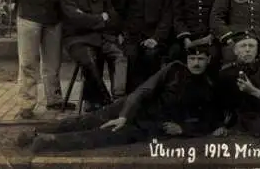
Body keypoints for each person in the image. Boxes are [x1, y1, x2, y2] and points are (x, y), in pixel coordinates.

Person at [17, 46, 227, 153]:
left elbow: (211, 121)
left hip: (152, 125)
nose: (196, 63)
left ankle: (50, 141)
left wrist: (183, 130)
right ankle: (36, 132)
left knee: (105, 136)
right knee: (88, 120)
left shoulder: (209, 86)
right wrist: (125, 115)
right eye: (192, 58)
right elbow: (143, 91)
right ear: (186, 59)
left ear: (208, 60)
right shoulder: (174, 69)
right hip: (132, 106)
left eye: (201, 59)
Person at [60, 0, 127, 112]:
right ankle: (106, 100)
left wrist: (95, 20)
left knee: (120, 57)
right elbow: (77, 19)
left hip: (100, 38)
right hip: (77, 40)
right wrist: (100, 18)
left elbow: (114, 17)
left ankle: (119, 96)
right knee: (89, 61)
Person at [118, 0, 173, 93]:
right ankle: (130, 102)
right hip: (132, 35)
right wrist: (123, 34)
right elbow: (121, 11)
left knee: (151, 55)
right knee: (132, 56)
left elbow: (167, 16)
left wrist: (156, 38)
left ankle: (150, 99)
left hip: (155, 36)